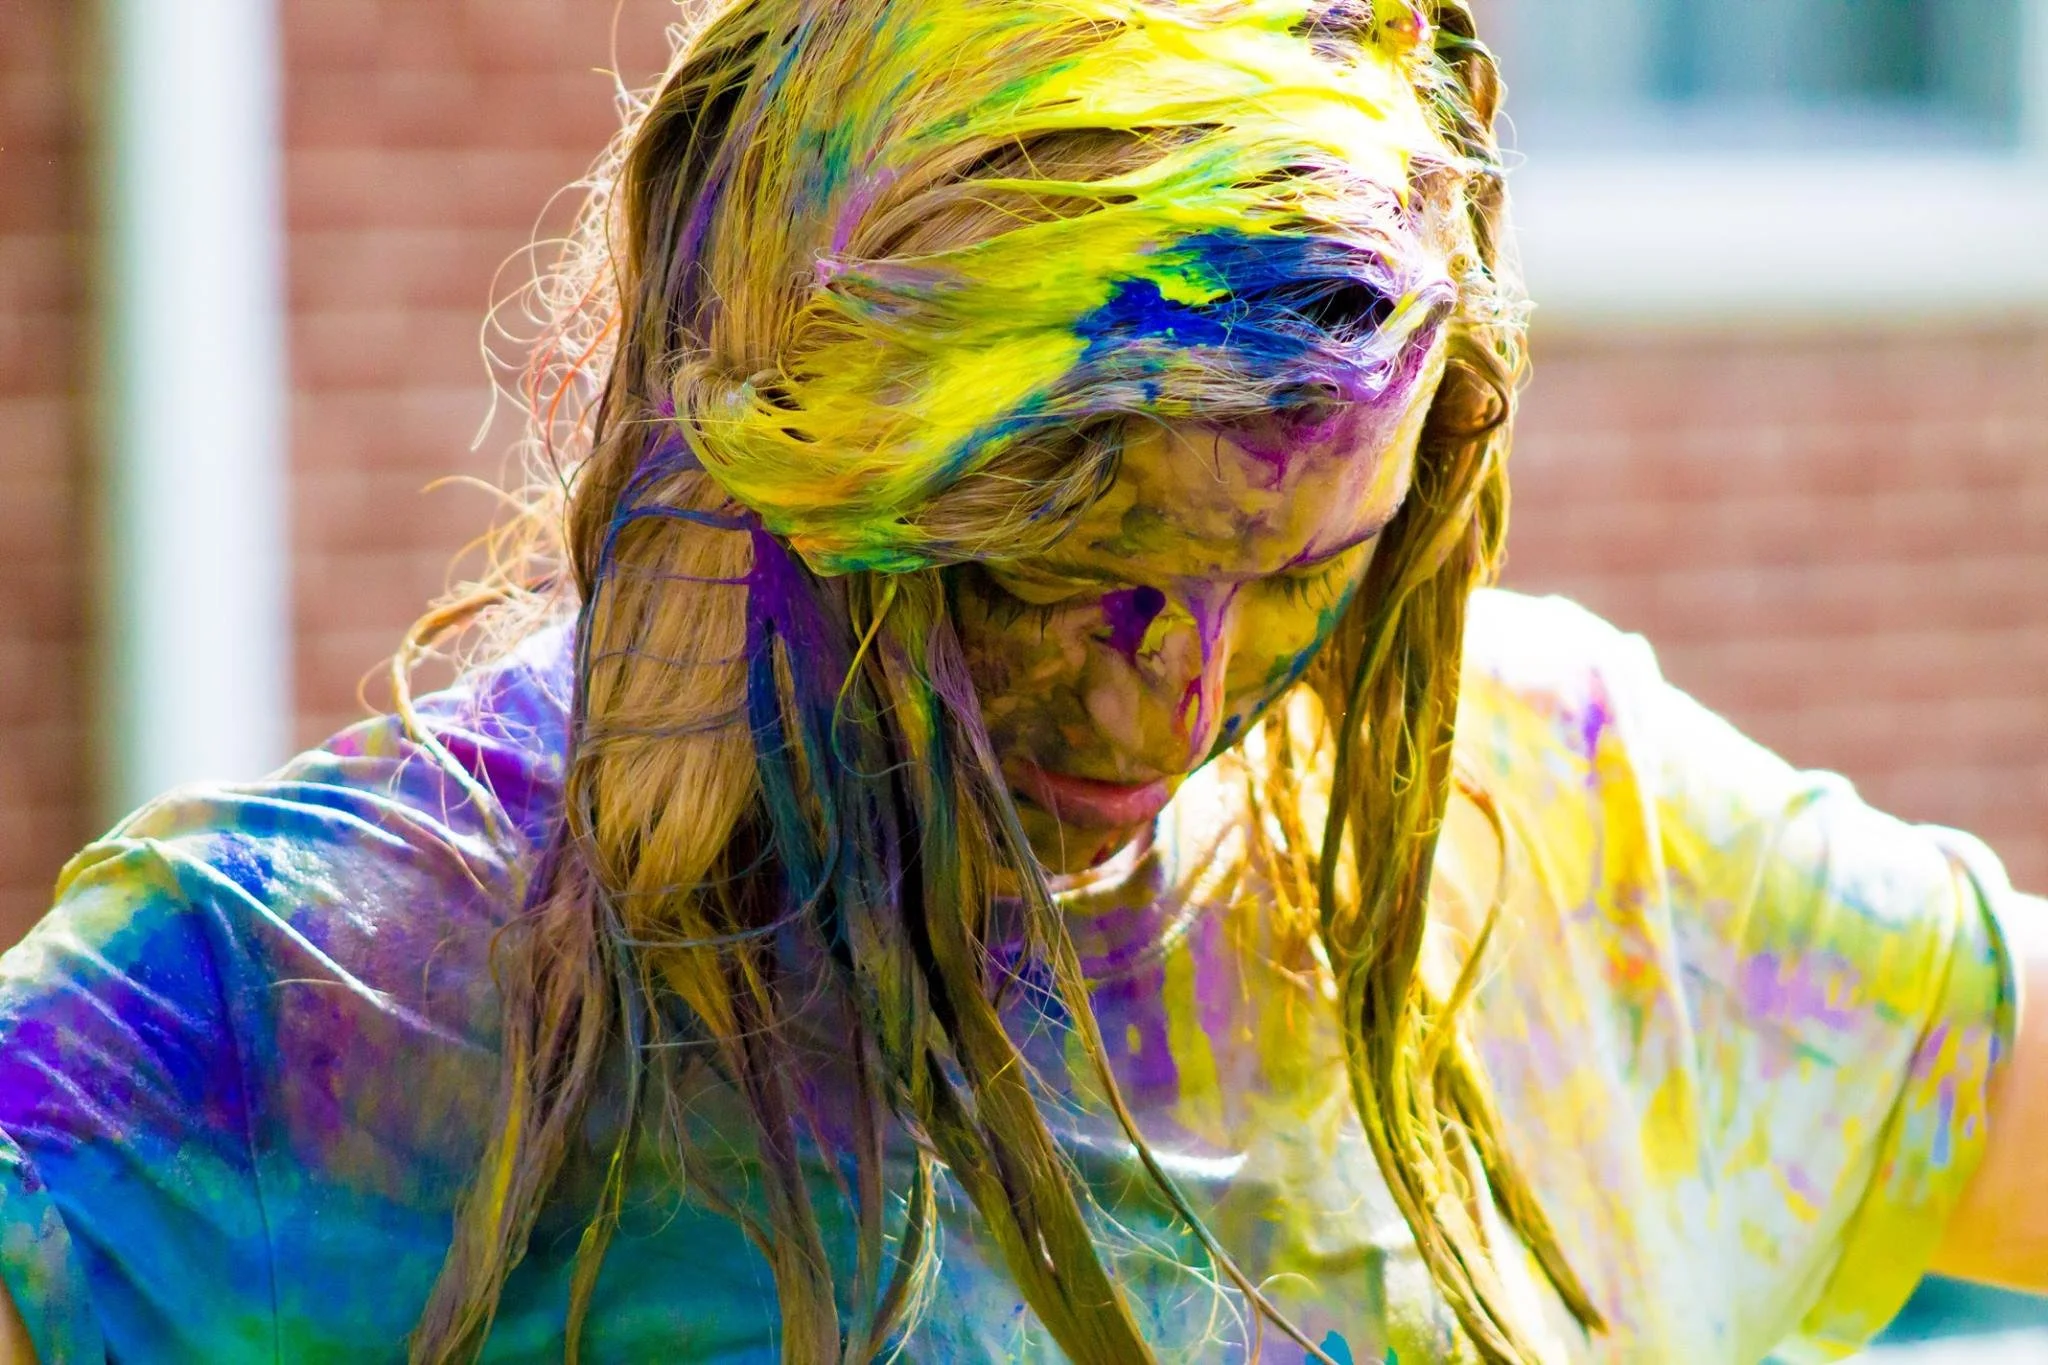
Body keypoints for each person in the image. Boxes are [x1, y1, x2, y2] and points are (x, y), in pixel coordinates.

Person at [1, 0, 2043, 1360]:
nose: (1176, 697)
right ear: (796, 454)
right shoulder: (339, 992)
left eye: (1300, 576)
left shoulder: (1562, 838)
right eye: (1064, 578)